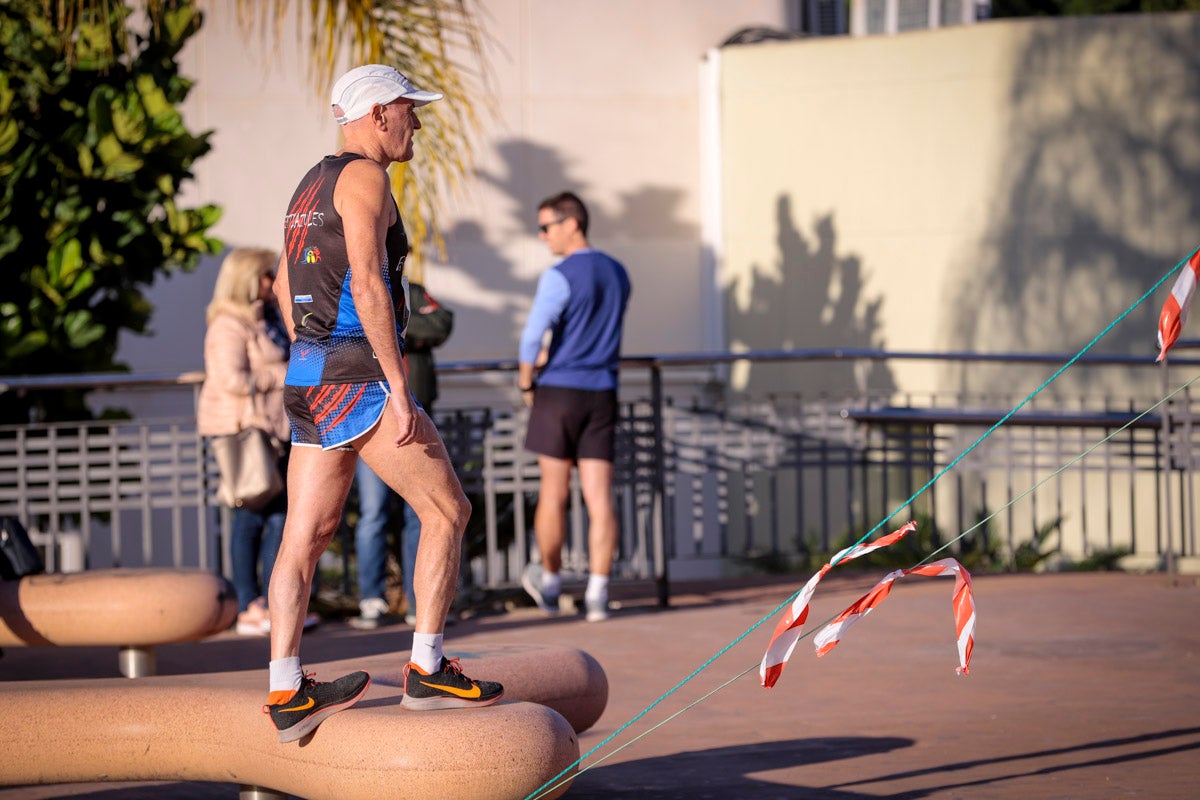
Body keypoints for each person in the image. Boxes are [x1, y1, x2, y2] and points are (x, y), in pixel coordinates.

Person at [262, 64, 502, 744]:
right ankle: (427, 668)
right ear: (376, 115)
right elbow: (367, 283)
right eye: (409, 110)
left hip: (309, 377)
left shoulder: (309, 183)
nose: (417, 123)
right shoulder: (368, 177)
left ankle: (287, 688)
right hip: (358, 379)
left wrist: (312, 351)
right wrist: (397, 386)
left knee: (303, 540)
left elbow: (284, 286)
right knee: (448, 508)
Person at [518, 191, 631, 623]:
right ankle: (599, 593)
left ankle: (550, 583)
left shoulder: (560, 274)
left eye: (547, 227)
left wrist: (527, 380)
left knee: (554, 491)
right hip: (602, 389)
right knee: (600, 498)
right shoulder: (618, 272)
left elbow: (533, 336)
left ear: (572, 223)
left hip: (561, 390)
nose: (543, 236)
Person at [197, 248, 291, 637]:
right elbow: (231, 381)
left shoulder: (265, 317)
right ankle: (250, 603)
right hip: (243, 432)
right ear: (248, 279)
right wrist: (281, 373)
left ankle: (271, 603)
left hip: (273, 430)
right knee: (251, 513)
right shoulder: (227, 325)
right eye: (267, 275)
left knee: (278, 516)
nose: (272, 282)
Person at [350, 281, 453, 630]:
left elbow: (442, 324)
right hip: (375, 417)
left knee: (423, 513)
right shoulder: (355, 286)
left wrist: (395, 329)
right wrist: (400, 329)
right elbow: (361, 331)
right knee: (373, 513)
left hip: (418, 414)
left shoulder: (414, 288)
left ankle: (418, 600)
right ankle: (371, 599)